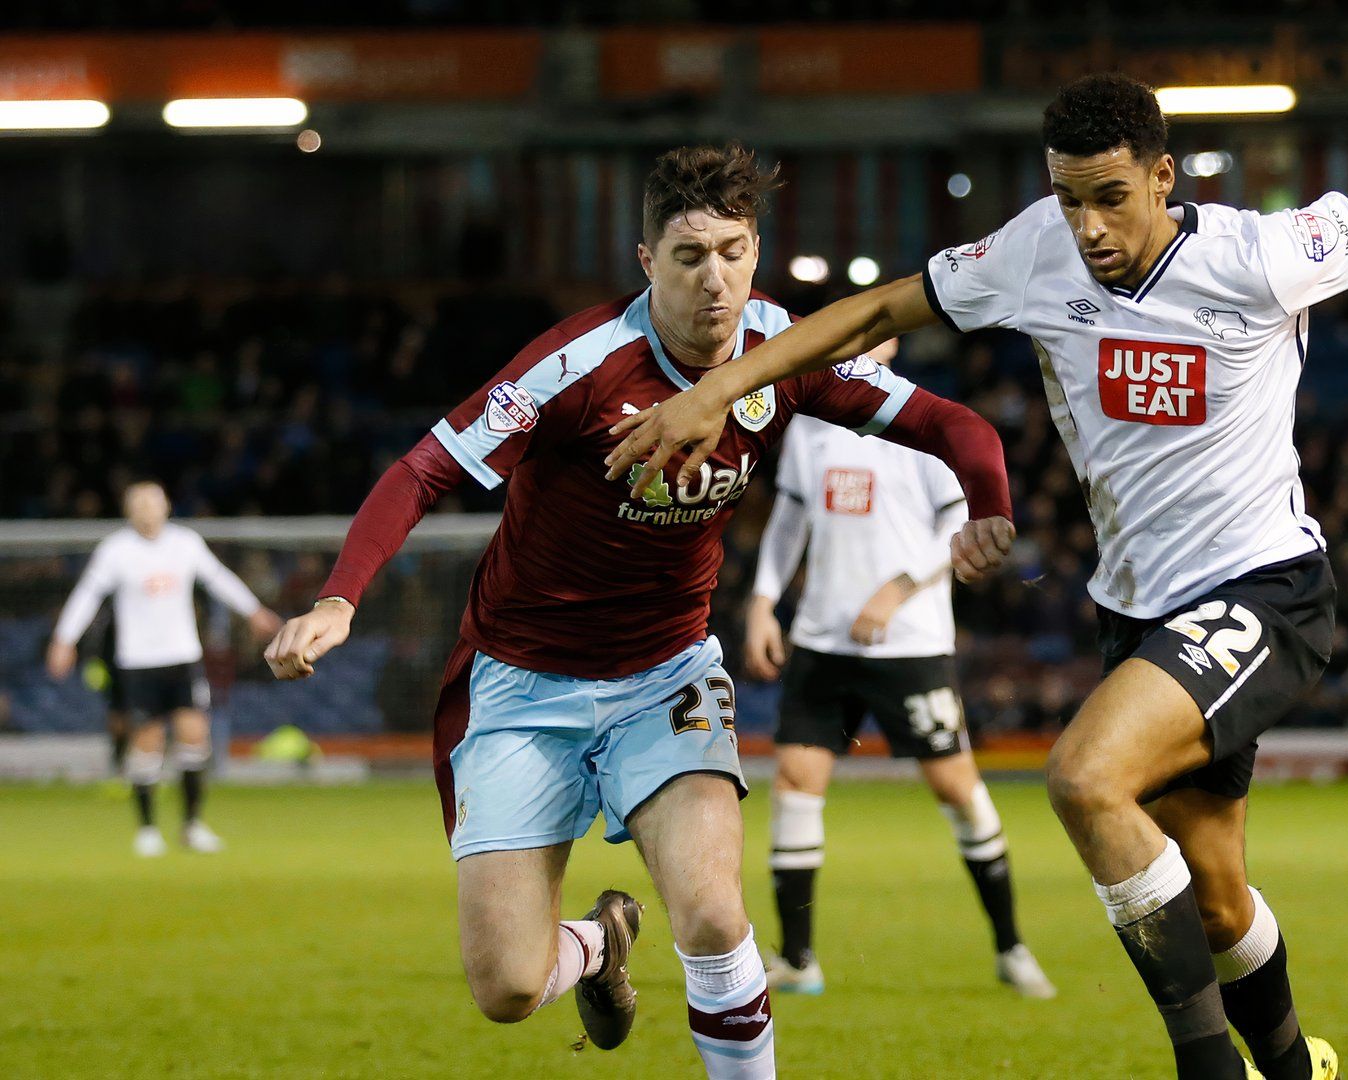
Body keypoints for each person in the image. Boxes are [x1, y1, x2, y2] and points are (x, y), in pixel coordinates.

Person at [606, 75, 1348, 1080]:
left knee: (1084, 777)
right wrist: (724, 387)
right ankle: (1292, 1066)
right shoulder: (1032, 251)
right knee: (1221, 900)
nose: (1089, 225)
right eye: (1068, 197)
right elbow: (878, 310)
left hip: (1265, 591)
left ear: (1162, 178)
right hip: (1139, 614)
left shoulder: (1260, 253)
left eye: (1110, 196)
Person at [263, 144, 1014, 1079]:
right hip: (521, 683)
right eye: (690, 255)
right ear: (646, 260)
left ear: (756, 251)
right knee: (505, 987)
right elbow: (423, 469)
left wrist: (989, 505)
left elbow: (955, 425)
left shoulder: (784, 351)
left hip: (666, 674)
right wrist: (340, 597)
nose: (716, 280)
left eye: (735, 252)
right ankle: (599, 944)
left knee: (710, 913)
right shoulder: (578, 365)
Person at [743, 338, 1053, 1000]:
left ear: (893, 341)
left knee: (956, 789)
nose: (859, 340)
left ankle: (1011, 947)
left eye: (872, 330)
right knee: (796, 784)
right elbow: (788, 523)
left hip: (909, 644)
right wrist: (765, 602)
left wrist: (899, 588)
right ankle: (798, 958)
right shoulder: (809, 423)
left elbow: (962, 530)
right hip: (824, 639)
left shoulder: (925, 420)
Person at [48, 481, 283, 857]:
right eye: (138, 502)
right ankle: (147, 830)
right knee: (148, 742)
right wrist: (64, 639)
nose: (146, 508)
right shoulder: (116, 551)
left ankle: (191, 825)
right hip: (138, 661)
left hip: (183, 657)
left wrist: (253, 610)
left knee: (194, 735)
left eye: (152, 501)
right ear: (128, 510)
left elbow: (218, 578)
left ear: (166, 506)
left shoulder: (185, 544)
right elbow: (88, 594)